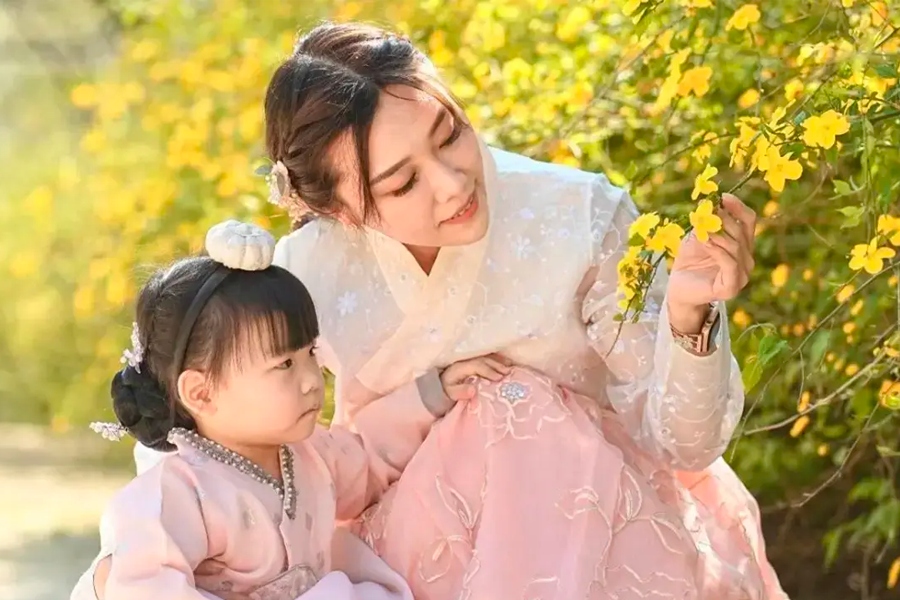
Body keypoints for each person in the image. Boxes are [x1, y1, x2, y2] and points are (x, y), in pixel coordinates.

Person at [143, 21, 787, 599]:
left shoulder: (577, 217)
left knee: (519, 406)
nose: (453, 182)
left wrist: (687, 317)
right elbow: (287, 439)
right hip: (413, 560)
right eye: (402, 182)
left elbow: (683, 445)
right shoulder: (308, 268)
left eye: (449, 134)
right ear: (339, 210)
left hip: (604, 539)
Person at [71, 220, 448, 600]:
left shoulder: (311, 453)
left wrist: (432, 395)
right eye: (284, 364)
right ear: (201, 393)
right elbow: (144, 588)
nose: (312, 380)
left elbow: (368, 458)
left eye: (310, 354)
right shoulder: (177, 492)